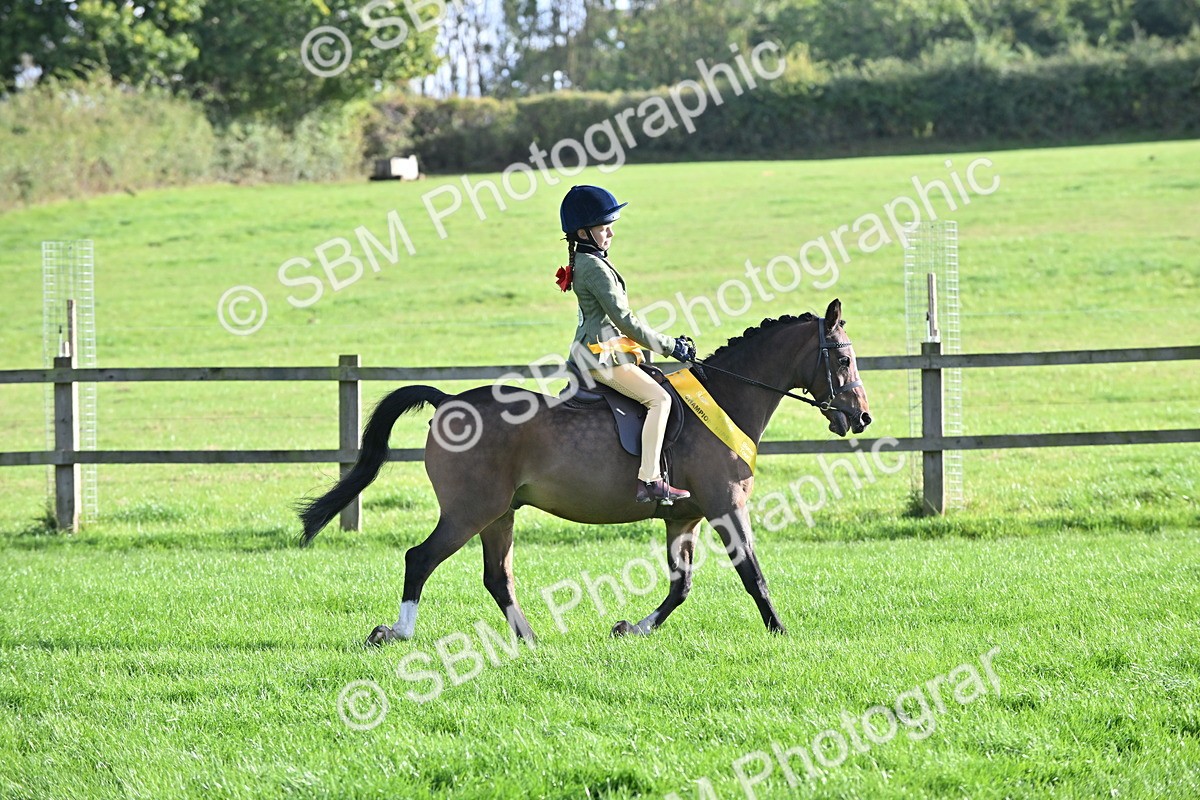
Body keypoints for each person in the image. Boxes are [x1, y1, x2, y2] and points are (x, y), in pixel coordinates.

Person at [556, 185, 695, 504]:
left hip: (600, 349)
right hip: (599, 358)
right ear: (583, 232)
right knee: (660, 400)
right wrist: (671, 346)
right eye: (604, 227)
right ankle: (650, 478)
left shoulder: (585, 260)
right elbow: (626, 321)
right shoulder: (593, 268)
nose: (611, 233)